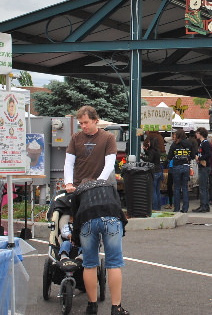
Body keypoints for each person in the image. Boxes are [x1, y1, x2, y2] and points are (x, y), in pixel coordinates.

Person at [62, 106, 122, 314]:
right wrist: (69, 182)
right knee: (104, 261)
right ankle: (104, 306)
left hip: (98, 191)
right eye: (81, 123)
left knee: (92, 261)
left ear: (96, 120)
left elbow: (109, 165)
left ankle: (97, 305)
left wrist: (96, 183)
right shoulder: (76, 138)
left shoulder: (107, 138)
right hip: (80, 192)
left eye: (86, 122)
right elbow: (69, 163)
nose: (83, 126)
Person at [71, 179, 130, 315]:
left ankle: (92, 306)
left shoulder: (78, 191)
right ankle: (116, 308)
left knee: (89, 263)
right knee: (114, 263)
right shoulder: (108, 185)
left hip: (86, 220)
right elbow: (117, 206)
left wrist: (75, 239)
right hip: (111, 217)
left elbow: (75, 217)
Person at [167, 129, 194, 213]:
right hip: (186, 167)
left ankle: (177, 208)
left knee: (177, 188)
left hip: (177, 167)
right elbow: (192, 156)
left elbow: (169, 156)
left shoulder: (174, 145)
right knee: (185, 187)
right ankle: (185, 208)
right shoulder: (189, 144)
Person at [193, 127, 212, 213]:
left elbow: (208, 154)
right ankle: (205, 205)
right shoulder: (203, 143)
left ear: (200, 134)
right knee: (204, 187)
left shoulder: (205, 143)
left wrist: (199, 158)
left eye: (197, 133)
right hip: (204, 166)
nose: (196, 134)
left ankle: (204, 205)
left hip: (204, 167)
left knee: (203, 187)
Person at [142, 134, 163, 211]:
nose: (148, 143)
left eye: (149, 142)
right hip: (159, 171)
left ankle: (154, 208)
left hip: (154, 172)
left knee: (153, 191)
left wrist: (142, 157)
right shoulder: (158, 150)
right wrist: (145, 150)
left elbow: (149, 160)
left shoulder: (152, 151)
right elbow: (152, 156)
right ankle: (158, 207)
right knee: (158, 191)